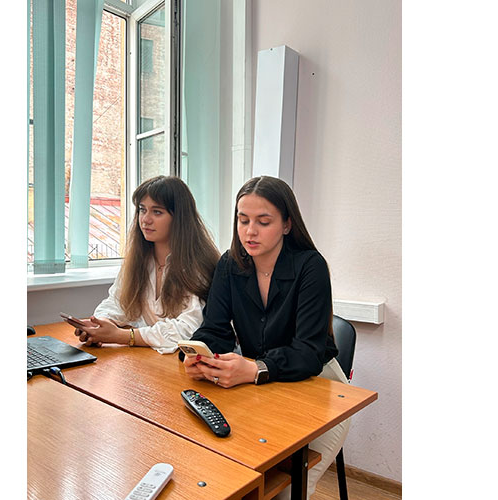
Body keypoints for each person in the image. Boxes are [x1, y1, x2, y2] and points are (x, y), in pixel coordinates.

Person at [182, 175, 349, 499]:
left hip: (320, 384)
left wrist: (256, 368)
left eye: (263, 221)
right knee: (237, 477)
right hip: (259, 384)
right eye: (243, 220)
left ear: (287, 224)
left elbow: (309, 352)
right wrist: (201, 356)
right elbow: (215, 329)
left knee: (287, 490)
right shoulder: (229, 264)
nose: (250, 231)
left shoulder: (310, 266)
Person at [65, 176, 220, 353]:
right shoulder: (140, 259)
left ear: (179, 218)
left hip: (188, 361)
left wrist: (121, 336)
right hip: (151, 358)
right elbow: (117, 302)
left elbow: (188, 330)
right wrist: (100, 325)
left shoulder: (198, 265)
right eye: (142, 210)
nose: (145, 219)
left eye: (157, 212)